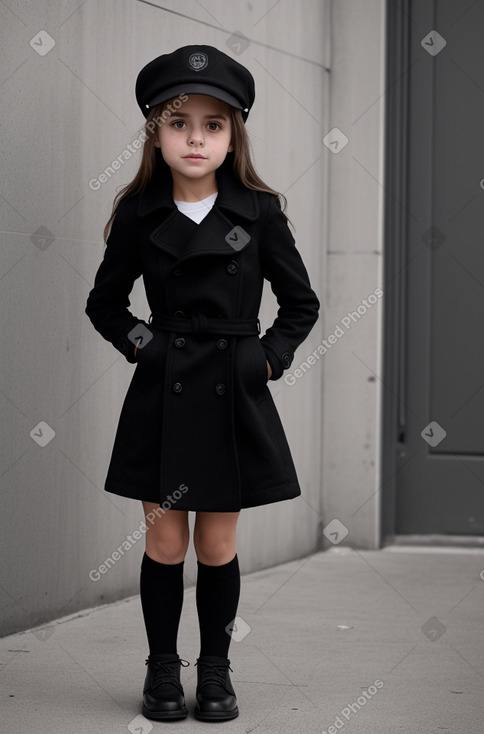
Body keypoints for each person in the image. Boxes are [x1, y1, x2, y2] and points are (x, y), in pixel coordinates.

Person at [85, 44, 320, 723]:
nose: (195, 138)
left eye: (213, 125)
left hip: (232, 392)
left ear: (232, 134)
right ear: (155, 132)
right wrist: (146, 349)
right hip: (164, 395)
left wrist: (266, 360)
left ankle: (215, 672)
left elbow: (300, 305)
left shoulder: (260, 211)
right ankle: (163, 672)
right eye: (179, 122)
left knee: (216, 546)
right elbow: (106, 304)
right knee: (163, 544)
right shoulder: (138, 211)